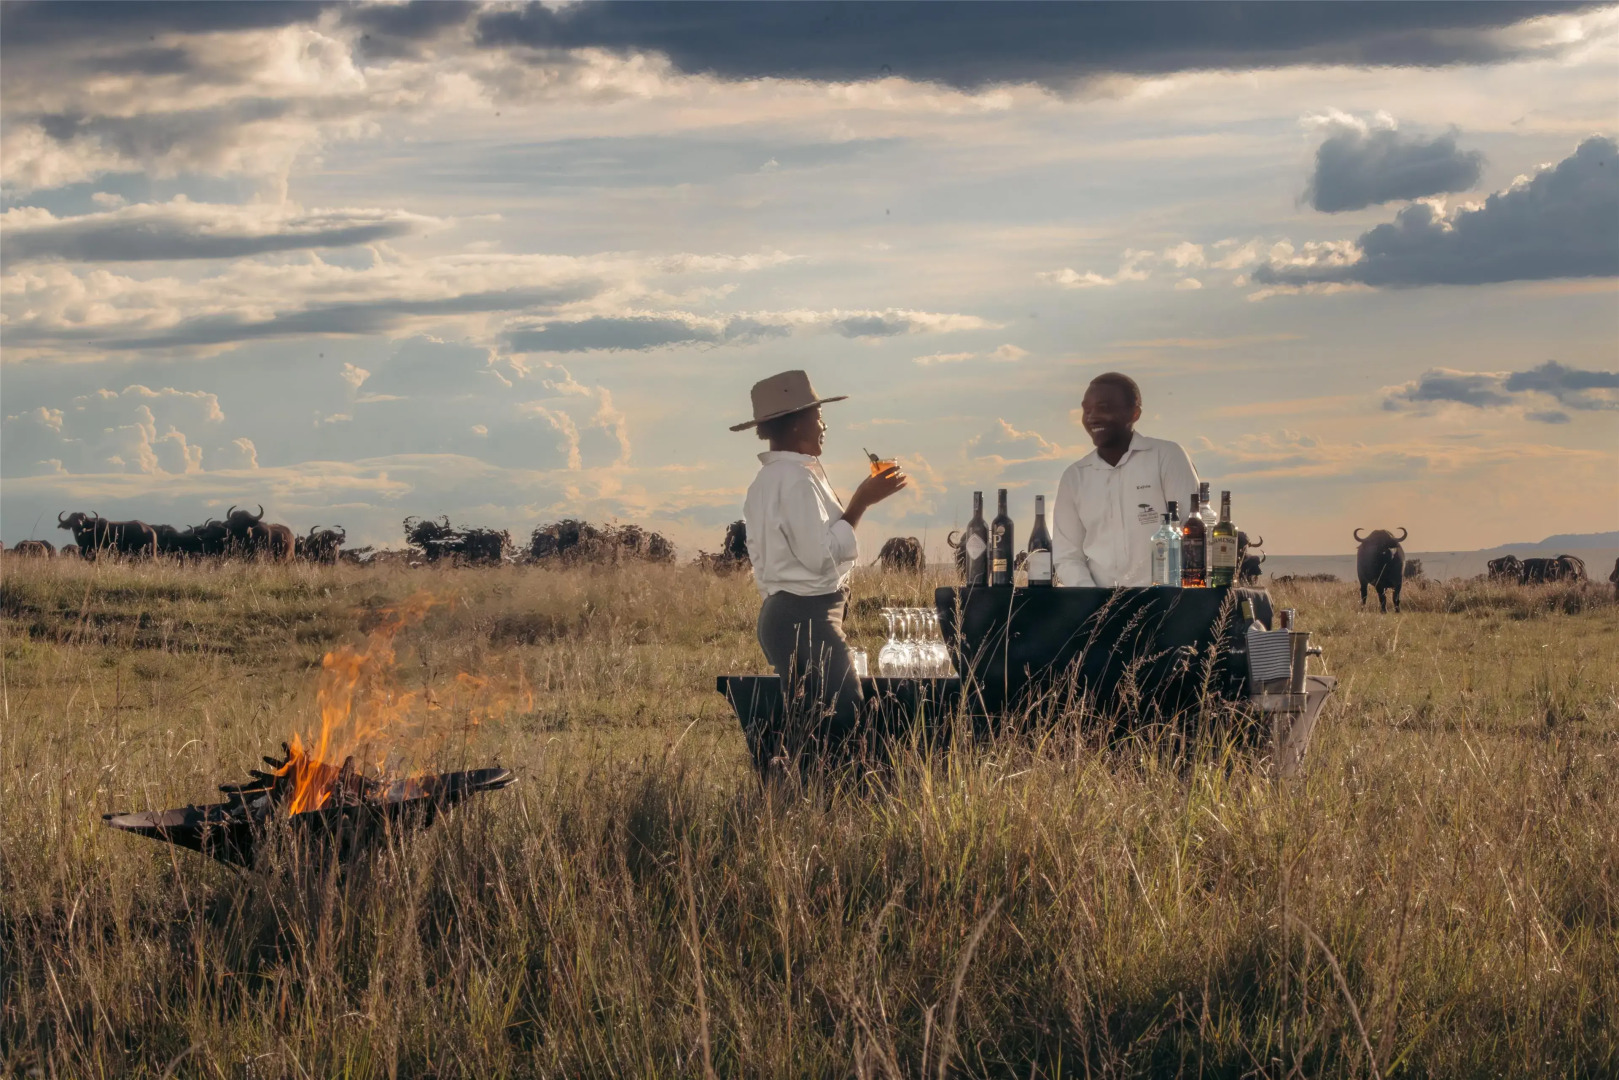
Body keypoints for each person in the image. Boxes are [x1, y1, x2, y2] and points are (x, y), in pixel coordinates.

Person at [734, 369, 906, 768]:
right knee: (843, 719)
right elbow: (818, 557)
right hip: (804, 615)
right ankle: (809, 800)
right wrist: (861, 502)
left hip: (786, 613)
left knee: (815, 722)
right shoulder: (795, 479)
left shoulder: (768, 479)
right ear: (796, 423)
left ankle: (792, 800)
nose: (823, 425)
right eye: (817, 417)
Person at [1052, 372, 1200, 587]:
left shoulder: (1166, 456)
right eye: (1086, 410)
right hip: (1100, 609)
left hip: (1166, 605)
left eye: (1103, 408)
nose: (1092, 417)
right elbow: (1067, 556)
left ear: (1134, 413)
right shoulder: (1075, 477)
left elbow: (1192, 532)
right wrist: (1094, 604)